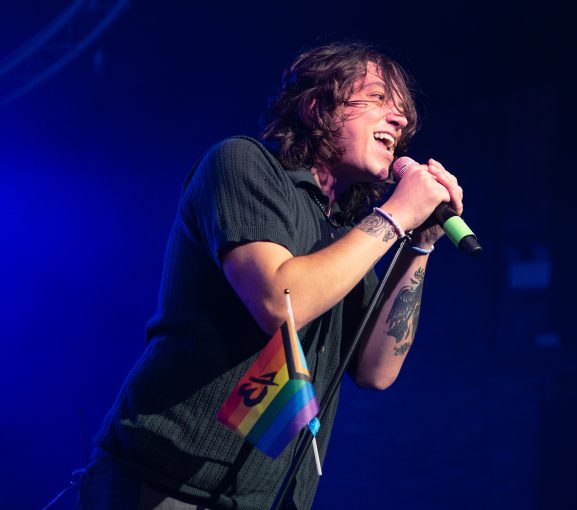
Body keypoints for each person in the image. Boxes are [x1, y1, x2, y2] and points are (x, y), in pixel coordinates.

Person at [77, 42, 464, 510]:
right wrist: (396, 215)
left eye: (402, 113)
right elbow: (280, 303)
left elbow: (376, 371)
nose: (399, 121)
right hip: (167, 482)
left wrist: (419, 243)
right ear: (317, 107)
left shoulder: (344, 233)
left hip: (265, 499)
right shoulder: (242, 163)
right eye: (379, 99)